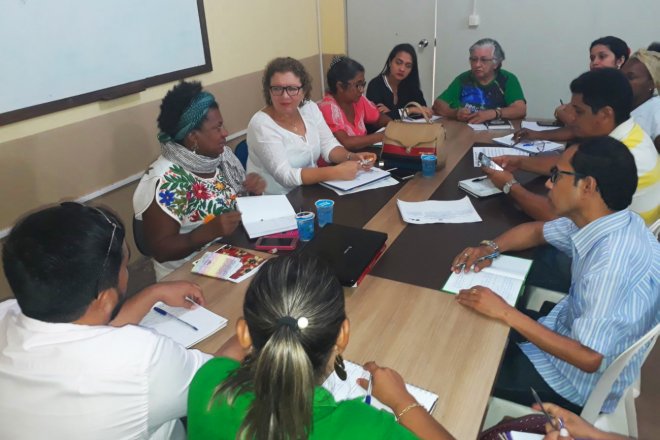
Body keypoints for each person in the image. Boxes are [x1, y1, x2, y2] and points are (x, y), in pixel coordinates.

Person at [451, 138, 659, 415]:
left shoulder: (612, 262)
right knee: (473, 325)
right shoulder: (609, 219)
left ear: (588, 186)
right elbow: (537, 231)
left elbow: (589, 358)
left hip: (572, 383)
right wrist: (489, 247)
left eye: (557, 176)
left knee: (459, 362)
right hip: (564, 332)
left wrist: (505, 312)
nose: (549, 184)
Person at [0, 203, 217, 440]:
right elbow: (216, 380)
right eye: (124, 266)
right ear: (106, 299)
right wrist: (245, 333)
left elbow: (83, 326)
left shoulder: (6, 313)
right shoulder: (140, 358)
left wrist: (153, 293)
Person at [187, 255, 454, 440]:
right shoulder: (365, 428)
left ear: (244, 332)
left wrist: (268, 323)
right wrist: (401, 401)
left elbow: (227, 356)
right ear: (342, 335)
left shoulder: (208, 382)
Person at [133, 81, 266, 280]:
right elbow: (161, 249)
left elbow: (232, 206)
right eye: (217, 128)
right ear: (193, 137)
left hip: (229, 257)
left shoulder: (219, 158)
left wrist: (251, 192)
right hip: (187, 276)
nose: (225, 133)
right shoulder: (167, 180)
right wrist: (206, 233)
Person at [494, 69, 660, 224]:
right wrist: (519, 162)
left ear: (605, 114)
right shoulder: (630, 133)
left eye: (579, 112)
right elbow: (569, 164)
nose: (572, 118)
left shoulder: (623, 156)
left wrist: (510, 186)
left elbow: (559, 218)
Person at [246, 57, 377, 195]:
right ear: (269, 90)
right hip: (276, 203)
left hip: (309, 192)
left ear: (303, 90)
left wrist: (352, 157)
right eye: (277, 88)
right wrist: (335, 172)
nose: (285, 96)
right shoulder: (261, 124)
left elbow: (328, 145)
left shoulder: (309, 108)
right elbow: (285, 176)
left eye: (292, 89)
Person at [432, 38, 526, 124]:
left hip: (496, 132)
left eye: (484, 60)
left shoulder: (507, 79)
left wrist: (494, 113)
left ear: (496, 63)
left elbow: (520, 110)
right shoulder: (463, 78)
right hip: (464, 131)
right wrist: (455, 113)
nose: (477, 64)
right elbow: (438, 104)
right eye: (473, 59)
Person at [318, 56, 391, 150]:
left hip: (361, 156)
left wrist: (392, 126)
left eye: (363, 84)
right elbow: (347, 143)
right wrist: (381, 136)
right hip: (340, 162)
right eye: (358, 85)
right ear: (340, 86)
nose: (362, 90)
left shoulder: (358, 99)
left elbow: (378, 117)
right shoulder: (327, 107)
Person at [555, 36, 630, 124]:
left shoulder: (623, 88)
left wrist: (560, 113)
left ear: (620, 60)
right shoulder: (594, 86)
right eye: (592, 58)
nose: (595, 62)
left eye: (602, 57)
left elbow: (586, 126)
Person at [366, 43, 432, 121]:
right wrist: (410, 110)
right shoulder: (375, 85)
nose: (402, 69)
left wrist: (392, 113)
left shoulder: (411, 86)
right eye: (398, 63)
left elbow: (424, 113)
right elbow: (378, 119)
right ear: (390, 62)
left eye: (408, 66)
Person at [624, 49, 660, 152]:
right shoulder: (625, 107)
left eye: (630, 77)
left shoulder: (656, 108)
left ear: (651, 83)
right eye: (621, 76)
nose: (622, 81)